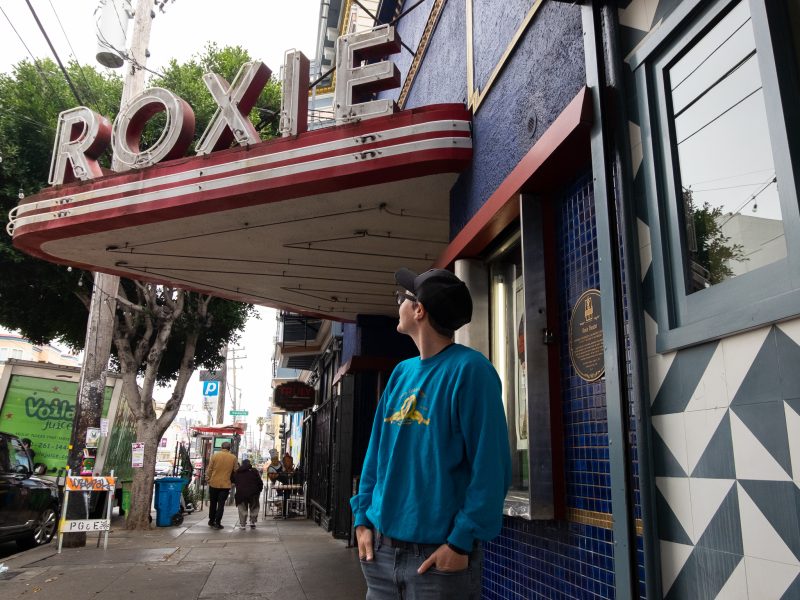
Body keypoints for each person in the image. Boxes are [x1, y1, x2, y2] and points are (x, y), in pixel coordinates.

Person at [351, 268, 511, 599]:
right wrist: (361, 520)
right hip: (379, 556)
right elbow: (376, 455)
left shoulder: (472, 371)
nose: (398, 304)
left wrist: (459, 541)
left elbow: (491, 468)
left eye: (402, 299)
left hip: (438, 563)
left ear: (419, 310)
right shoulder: (400, 372)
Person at [205, 441, 237, 529]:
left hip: (213, 483)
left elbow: (210, 469)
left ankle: (211, 520)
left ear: (221, 447)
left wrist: (208, 479)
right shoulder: (233, 458)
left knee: (213, 503)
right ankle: (217, 522)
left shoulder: (215, 456)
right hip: (225, 485)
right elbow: (236, 470)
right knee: (221, 504)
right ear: (229, 448)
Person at [232, 459, 263, 529]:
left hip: (241, 493)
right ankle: (252, 522)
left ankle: (242, 524)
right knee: (254, 507)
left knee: (242, 508)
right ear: (249, 464)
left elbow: (234, 481)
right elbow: (259, 482)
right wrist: (259, 490)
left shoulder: (238, 472)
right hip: (253, 493)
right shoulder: (254, 471)